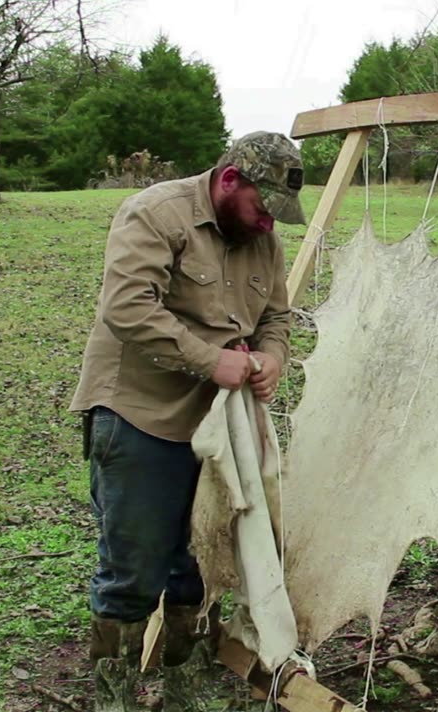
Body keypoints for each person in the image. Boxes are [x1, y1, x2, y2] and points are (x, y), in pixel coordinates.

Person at [69, 132, 303, 693]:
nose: (270, 223)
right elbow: (126, 307)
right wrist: (210, 360)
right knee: (134, 570)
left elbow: (276, 316)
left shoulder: (262, 241)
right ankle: (115, 694)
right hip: (138, 417)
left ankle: (185, 691)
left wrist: (272, 356)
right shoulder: (155, 213)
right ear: (229, 181)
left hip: (218, 431)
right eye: (263, 207)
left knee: (200, 566)